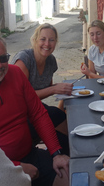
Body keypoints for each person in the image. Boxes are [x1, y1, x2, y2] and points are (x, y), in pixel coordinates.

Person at [0, 31, 69, 186]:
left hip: (30, 154)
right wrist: (16, 166)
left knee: (72, 175)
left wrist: (56, 153)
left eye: (3, 58)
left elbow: (38, 113)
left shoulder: (14, 73)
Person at [11, 23, 70, 154]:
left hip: (34, 108)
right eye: (43, 39)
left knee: (62, 122)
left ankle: (61, 155)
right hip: (18, 113)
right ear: (35, 40)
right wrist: (54, 90)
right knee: (57, 119)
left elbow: (47, 88)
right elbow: (20, 97)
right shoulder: (24, 60)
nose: (47, 44)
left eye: (51, 40)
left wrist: (62, 88)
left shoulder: (51, 61)